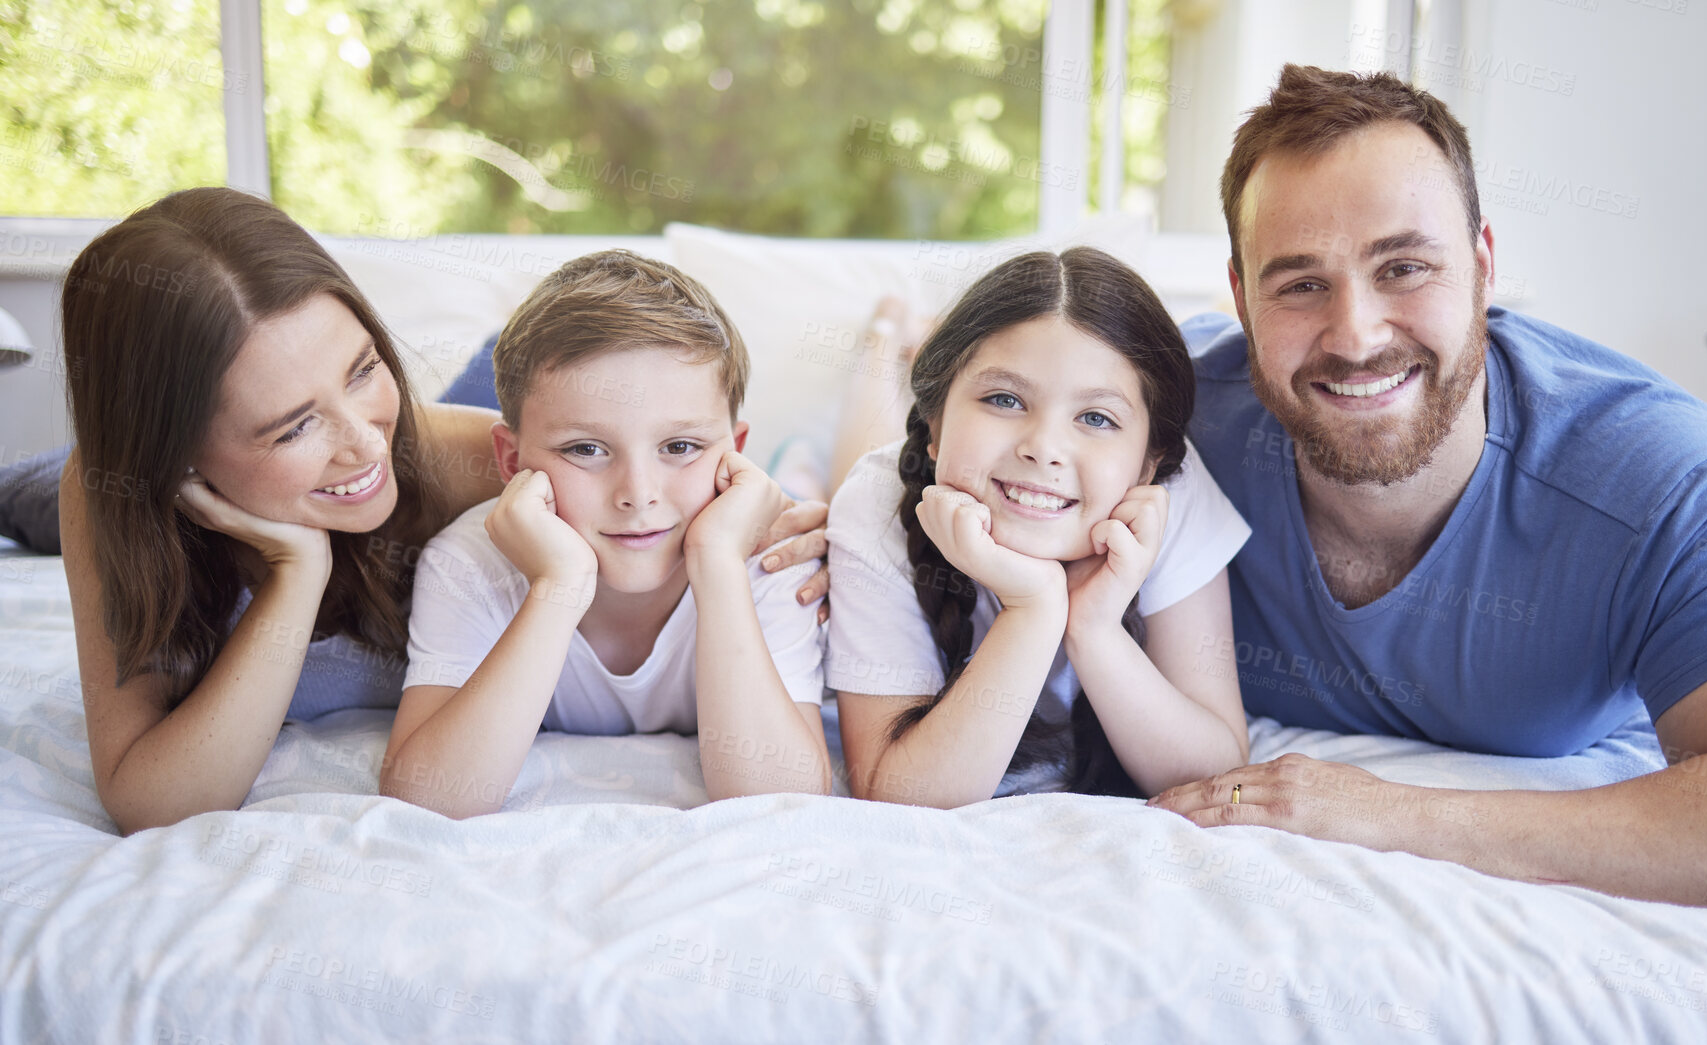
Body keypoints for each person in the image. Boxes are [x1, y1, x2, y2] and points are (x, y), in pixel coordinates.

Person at [1146, 65, 1707, 909]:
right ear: (1241, 300)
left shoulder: (1655, 472)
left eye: (1404, 267)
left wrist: (1387, 813)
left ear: (1482, 265)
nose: (1356, 335)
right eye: (1299, 284)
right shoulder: (1159, 425)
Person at [58, 189, 827, 834]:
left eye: (364, 369)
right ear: (178, 457)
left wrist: (805, 536)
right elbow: (154, 800)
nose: (365, 447)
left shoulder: (463, 462)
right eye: (293, 426)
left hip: (472, 412)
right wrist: (297, 573)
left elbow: (708, 492)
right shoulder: (117, 496)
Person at [381, 251, 831, 816]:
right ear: (511, 458)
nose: (637, 493)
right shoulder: (470, 561)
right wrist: (557, 587)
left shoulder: (769, 556)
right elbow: (426, 799)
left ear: (734, 452)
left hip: (767, 504)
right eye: (586, 449)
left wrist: (717, 562)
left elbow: (782, 800)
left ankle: (872, 360)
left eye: (680, 447)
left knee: (816, 481)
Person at [827, 248, 1251, 808]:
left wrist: (1094, 627)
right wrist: (1034, 609)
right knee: (839, 473)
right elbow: (900, 795)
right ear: (935, 423)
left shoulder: (1170, 493)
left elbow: (1218, 775)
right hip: (901, 473)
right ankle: (883, 339)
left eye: (1096, 418)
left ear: (1150, 463)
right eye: (1005, 399)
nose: (1044, 448)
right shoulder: (875, 498)